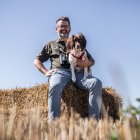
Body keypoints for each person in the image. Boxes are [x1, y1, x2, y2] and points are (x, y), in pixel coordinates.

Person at [34, 16, 102, 122]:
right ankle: (53, 123)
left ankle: (94, 122)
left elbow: (92, 60)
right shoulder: (51, 44)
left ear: (70, 28)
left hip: (78, 73)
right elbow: (36, 61)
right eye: (61, 26)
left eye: (66, 26)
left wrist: (87, 63)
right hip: (60, 72)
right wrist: (46, 72)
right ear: (56, 29)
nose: (63, 28)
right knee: (55, 85)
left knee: (96, 83)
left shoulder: (77, 42)